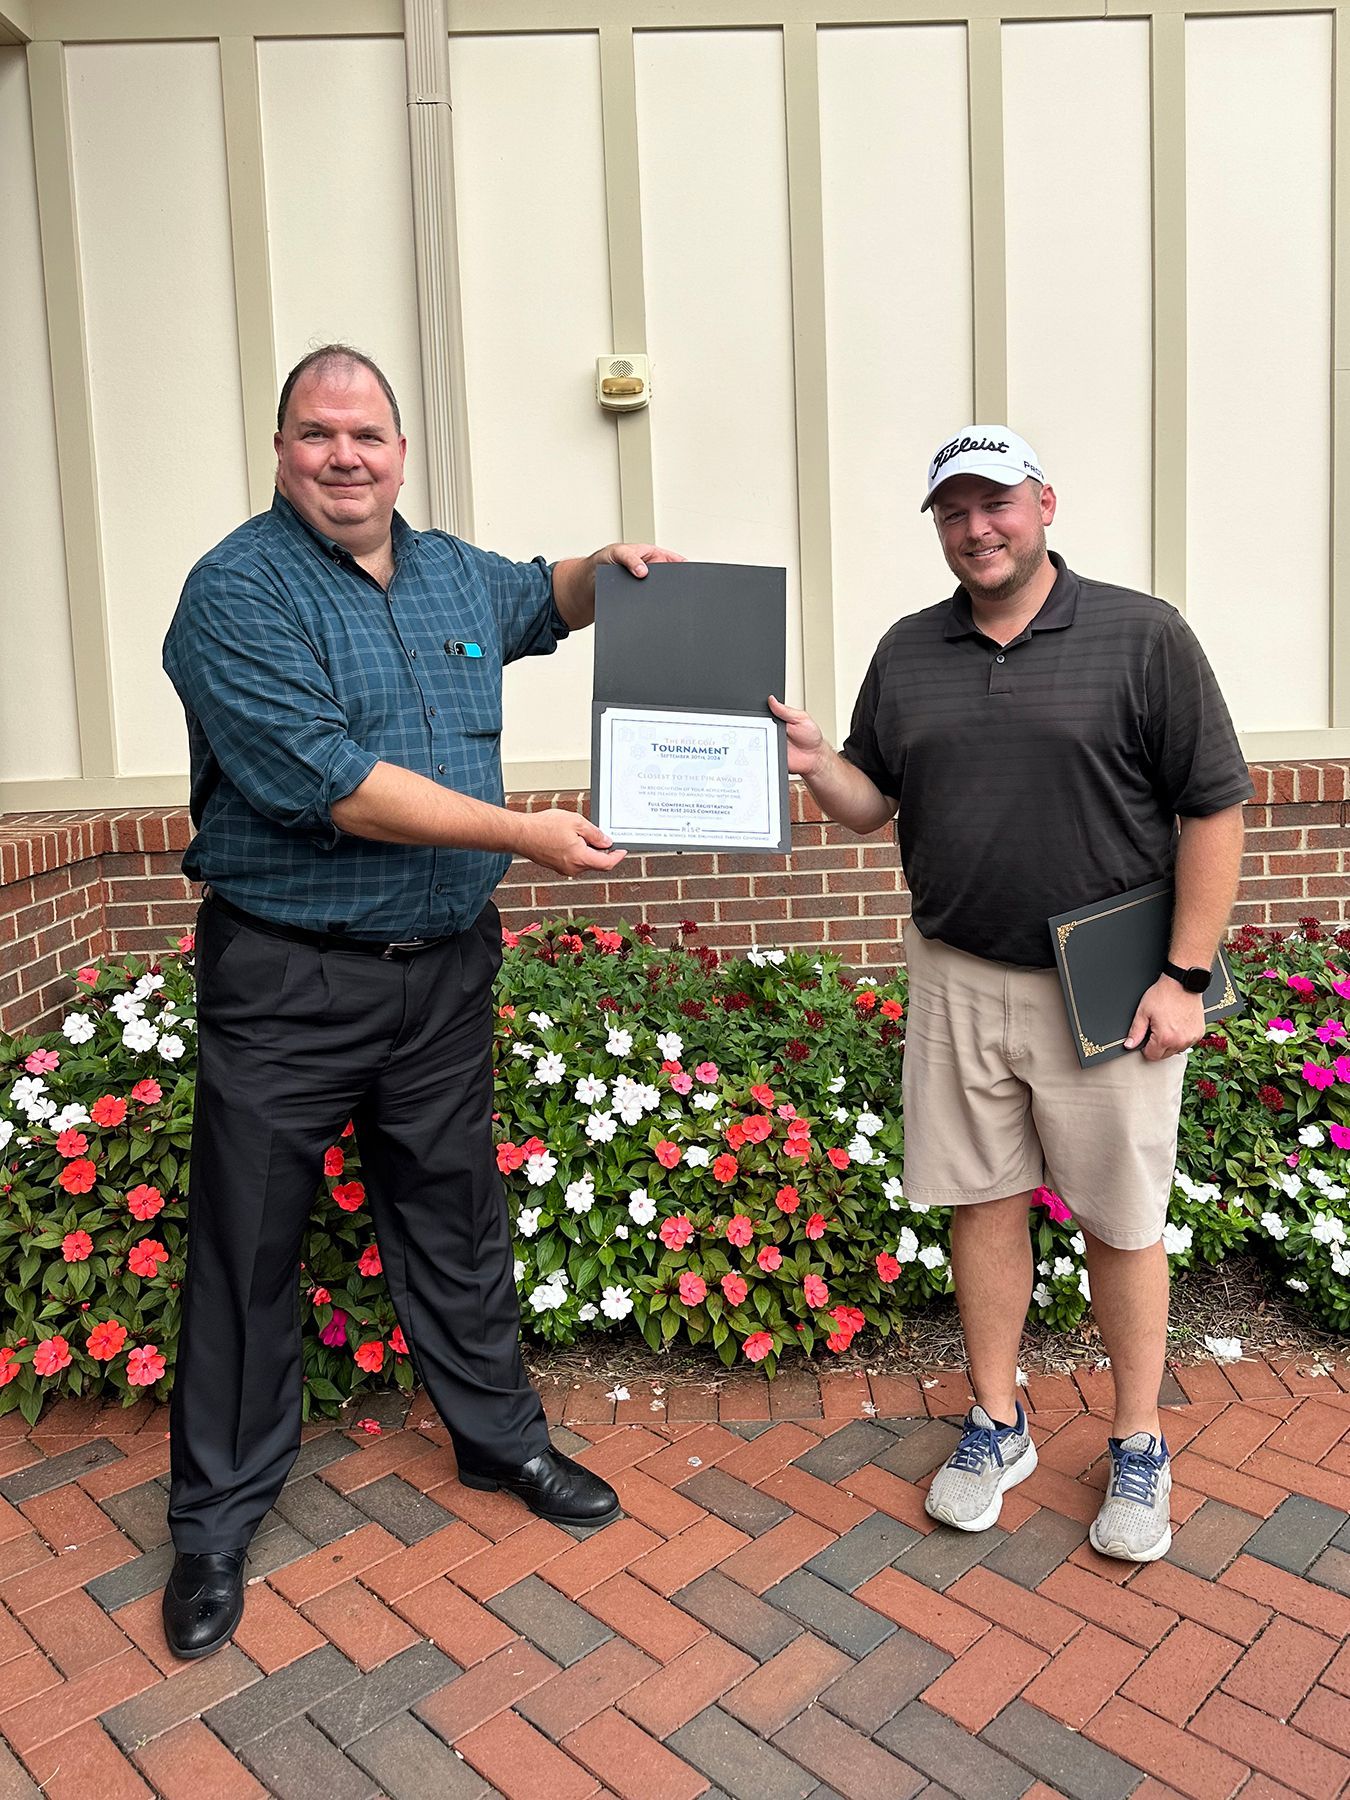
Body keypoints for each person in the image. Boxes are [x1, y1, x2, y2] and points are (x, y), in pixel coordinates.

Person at [160, 343, 681, 1659]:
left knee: (453, 1213)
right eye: (317, 435)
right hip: (289, 978)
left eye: (368, 435)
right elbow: (332, 781)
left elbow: (539, 598)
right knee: (247, 1246)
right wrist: (524, 833)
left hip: (440, 972)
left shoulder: (448, 570)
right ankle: (215, 1519)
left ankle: (500, 1445)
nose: (345, 456)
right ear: (281, 450)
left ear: (401, 450)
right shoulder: (235, 594)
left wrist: (614, 578)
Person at [770, 426, 1249, 1564]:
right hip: (957, 975)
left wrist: (1185, 978)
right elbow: (871, 800)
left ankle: (1137, 1441)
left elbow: (1215, 807)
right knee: (981, 1203)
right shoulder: (909, 649)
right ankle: (999, 1421)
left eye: (996, 504)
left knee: (1122, 1223)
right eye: (953, 511)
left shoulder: (1142, 634)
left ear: (1044, 504)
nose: (976, 528)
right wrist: (810, 759)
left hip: (1111, 986)